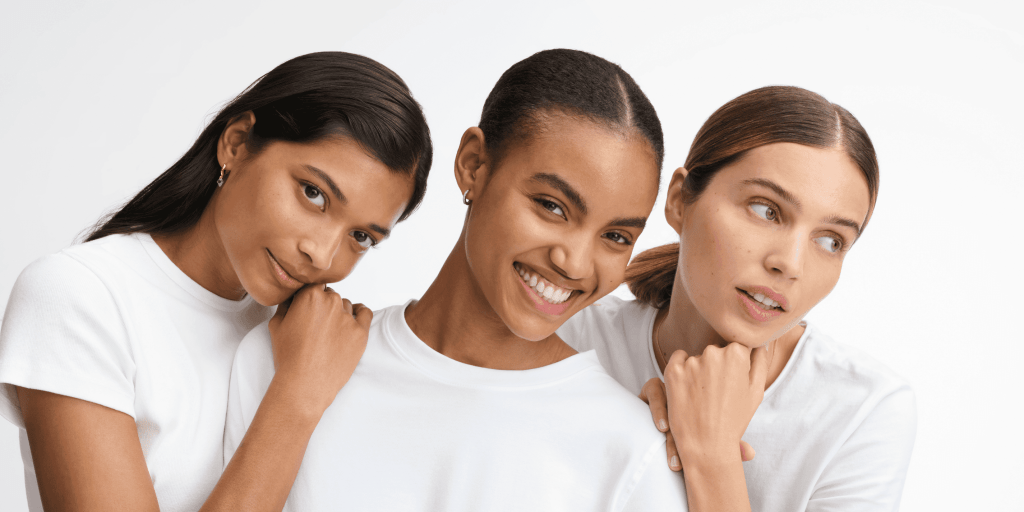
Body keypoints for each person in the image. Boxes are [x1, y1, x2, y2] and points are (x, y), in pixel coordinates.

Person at [225, 49, 689, 511]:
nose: (575, 264)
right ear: (473, 165)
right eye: (551, 206)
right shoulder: (290, 357)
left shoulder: (631, 453)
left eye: (615, 235)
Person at [0, 51, 432, 512]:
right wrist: (297, 396)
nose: (321, 253)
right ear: (237, 142)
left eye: (361, 236)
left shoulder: (310, 338)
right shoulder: (80, 296)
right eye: (313, 193)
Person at [557, 86, 916, 512]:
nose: (791, 264)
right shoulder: (568, 339)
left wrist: (712, 456)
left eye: (831, 240)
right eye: (767, 210)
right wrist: (631, 441)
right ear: (679, 201)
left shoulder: (861, 410)